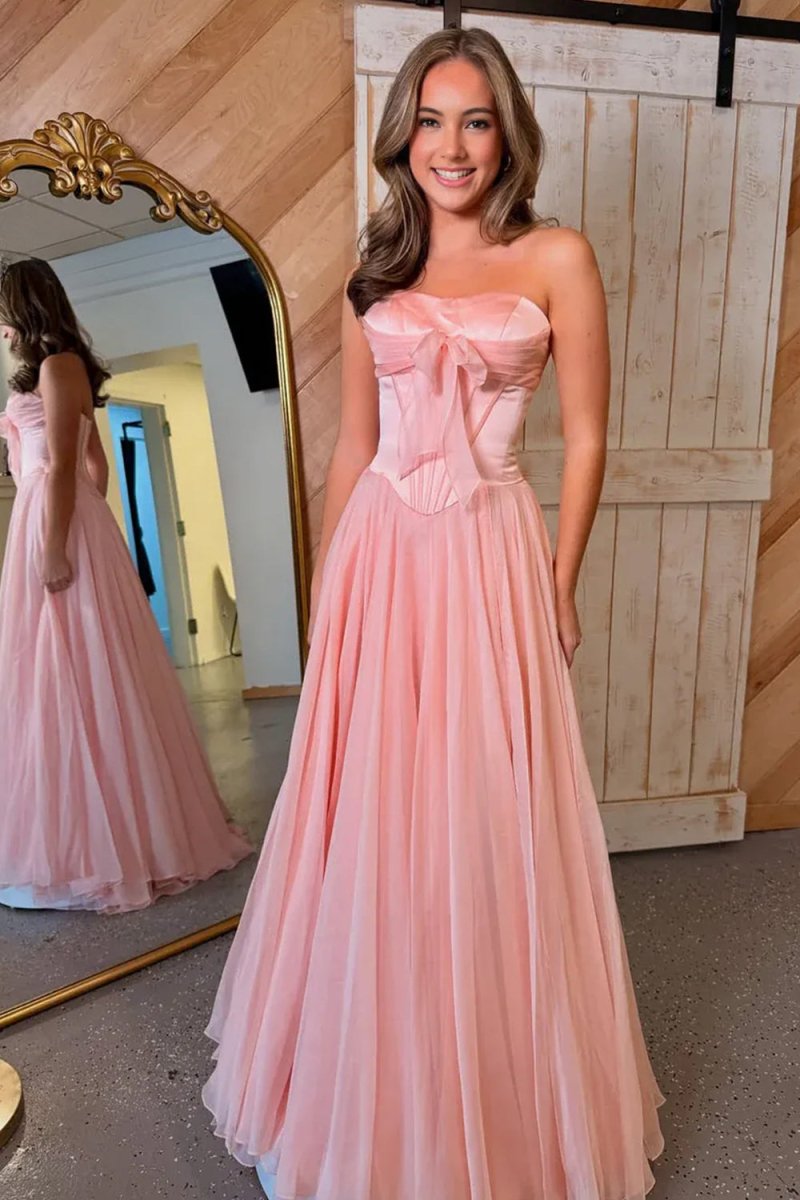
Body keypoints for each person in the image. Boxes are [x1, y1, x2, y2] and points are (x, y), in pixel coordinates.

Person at [202, 26, 665, 1200]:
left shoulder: (555, 256)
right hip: (382, 559)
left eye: (473, 120)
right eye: (428, 119)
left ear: (505, 135)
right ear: (400, 134)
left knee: (483, 807)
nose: (449, 145)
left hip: (488, 556)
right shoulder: (373, 273)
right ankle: (367, 1087)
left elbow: (588, 437)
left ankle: (495, 1093)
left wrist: (558, 582)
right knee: (373, 810)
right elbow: (351, 448)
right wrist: (329, 598)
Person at [0, 256, 253, 913]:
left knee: (76, 670)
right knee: (56, 674)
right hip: (54, 517)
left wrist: (59, 543)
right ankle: (75, 837)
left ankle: (106, 844)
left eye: (3, 313)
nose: (1, 326)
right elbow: (94, 464)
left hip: (52, 523)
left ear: (23, 307)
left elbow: (65, 465)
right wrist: (90, 522)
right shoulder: (55, 369)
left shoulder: (59, 366)